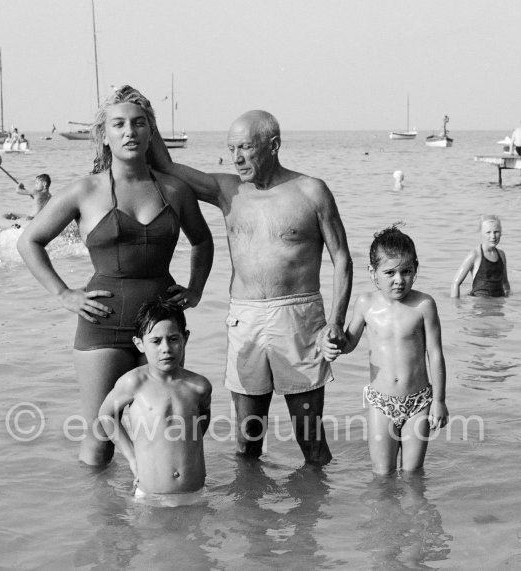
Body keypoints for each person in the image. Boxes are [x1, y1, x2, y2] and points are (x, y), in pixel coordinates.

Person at [17, 85, 213, 466]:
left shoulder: (174, 190)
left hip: (160, 327)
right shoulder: (85, 191)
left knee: (159, 430)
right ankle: (102, 523)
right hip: (101, 325)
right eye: (119, 124)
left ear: (150, 132)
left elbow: (202, 242)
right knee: (100, 436)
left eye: (139, 124)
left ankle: (158, 515)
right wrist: (63, 294)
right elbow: (30, 242)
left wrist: (195, 291)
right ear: (104, 135)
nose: (130, 132)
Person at [150, 109, 352, 466]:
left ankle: (316, 518)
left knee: (311, 442)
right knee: (247, 442)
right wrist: (146, 113)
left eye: (245, 147)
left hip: (299, 317)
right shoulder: (228, 190)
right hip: (245, 318)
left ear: (273, 145)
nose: (237, 158)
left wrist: (336, 320)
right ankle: (249, 517)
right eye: (231, 149)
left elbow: (342, 260)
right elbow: (165, 165)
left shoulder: (311, 190)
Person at [321, 225, 448, 475]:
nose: (399, 280)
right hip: (381, 403)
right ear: (373, 273)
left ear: (415, 269)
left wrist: (439, 401)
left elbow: (435, 354)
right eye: (389, 272)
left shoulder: (424, 305)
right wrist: (333, 344)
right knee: (382, 476)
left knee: (413, 475)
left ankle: (412, 514)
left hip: (418, 401)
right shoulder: (366, 304)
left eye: (406, 271)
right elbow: (349, 343)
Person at [98, 300, 211, 502]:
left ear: (185, 338)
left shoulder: (199, 386)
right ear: (139, 344)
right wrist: (132, 458)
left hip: (194, 491)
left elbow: (202, 419)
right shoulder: (134, 382)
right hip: (151, 495)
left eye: (173, 339)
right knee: (149, 535)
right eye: (156, 341)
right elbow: (106, 415)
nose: (166, 348)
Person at [451, 214, 509, 297]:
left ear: (501, 233)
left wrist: (508, 302)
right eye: (488, 232)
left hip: (498, 304)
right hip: (480, 305)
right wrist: (456, 305)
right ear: (481, 233)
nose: (493, 236)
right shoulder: (475, 255)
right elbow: (455, 283)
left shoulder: (501, 255)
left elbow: (505, 283)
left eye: (496, 232)